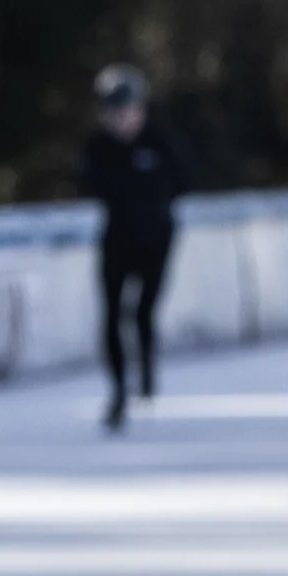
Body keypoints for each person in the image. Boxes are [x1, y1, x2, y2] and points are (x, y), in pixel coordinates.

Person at [77, 63, 186, 431]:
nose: (122, 119)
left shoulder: (160, 142)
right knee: (111, 314)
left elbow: (184, 181)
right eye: (114, 112)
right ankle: (119, 390)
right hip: (117, 240)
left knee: (142, 313)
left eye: (128, 110)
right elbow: (87, 185)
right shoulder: (98, 148)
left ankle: (147, 372)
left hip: (157, 241)